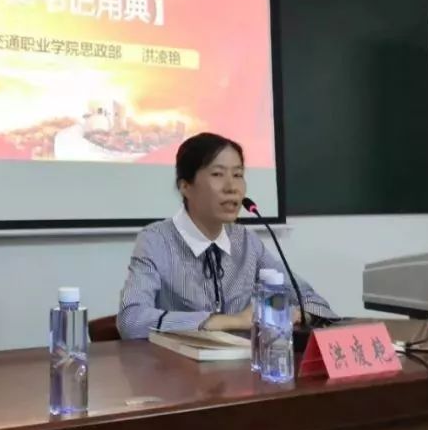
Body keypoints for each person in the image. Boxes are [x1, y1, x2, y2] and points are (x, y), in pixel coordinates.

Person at [117, 132, 335, 339]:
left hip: (244, 363)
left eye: (238, 175)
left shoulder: (246, 241)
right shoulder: (156, 240)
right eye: (217, 174)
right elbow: (131, 320)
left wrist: (298, 314)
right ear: (185, 186)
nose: (232, 187)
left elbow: (312, 301)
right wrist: (230, 321)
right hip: (178, 364)